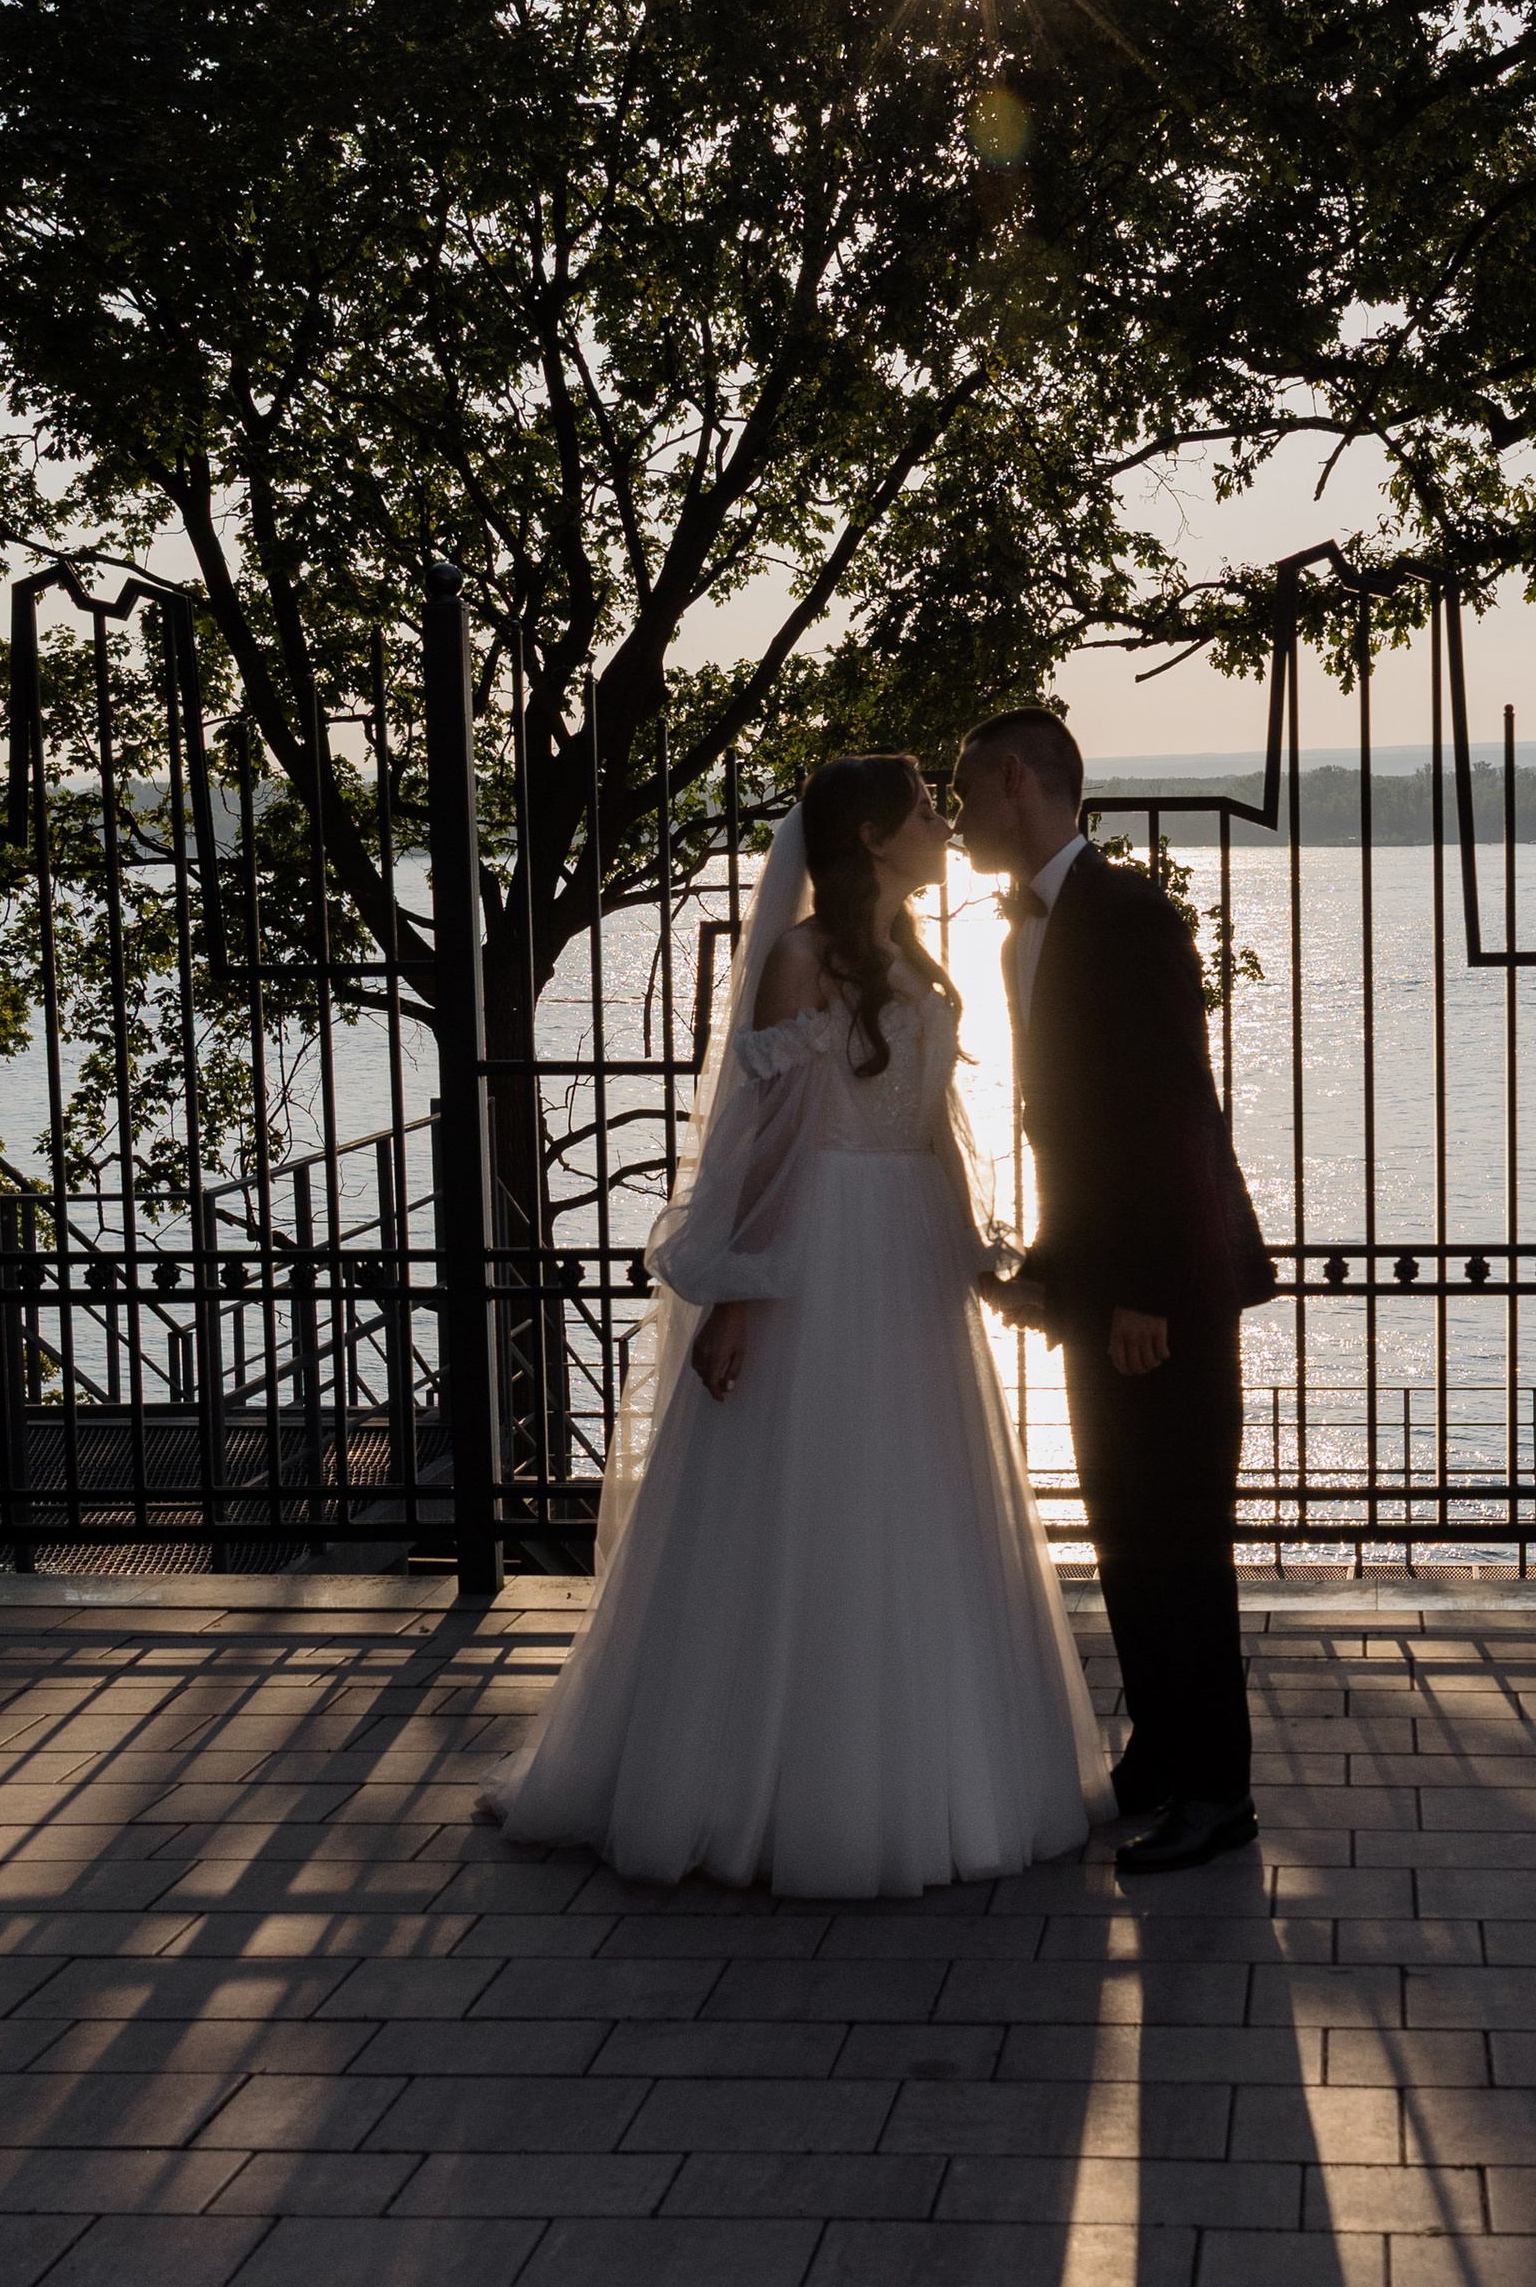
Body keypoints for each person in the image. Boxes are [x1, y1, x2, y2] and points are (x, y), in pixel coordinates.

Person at [485, 754, 1109, 1898]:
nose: (942, 824)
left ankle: (939, 1771)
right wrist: (738, 1294)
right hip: (819, 1252)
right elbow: (765, 1150)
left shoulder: (919, 955)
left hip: (910, 1250)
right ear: (872, 836)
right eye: (925, 810)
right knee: (803, 1498)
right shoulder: (796, 960)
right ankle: (760, 1782)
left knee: (918, 1498)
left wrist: (975, 1254)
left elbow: (936, 1128)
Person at [955, 706, 1275, 1874]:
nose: (954, 817)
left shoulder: (1135, 917)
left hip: (1167, 1287)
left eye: (963, 792)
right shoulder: (1016, 938)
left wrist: (1140, 1288)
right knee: (1124, 1531)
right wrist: (1049, 1270)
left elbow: (1168, 1115)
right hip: (1102, 1284)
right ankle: (1158, 1751)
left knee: (1181, 1536)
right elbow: (1073, 1132)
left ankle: (1217, 1792)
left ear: (1012, 784)